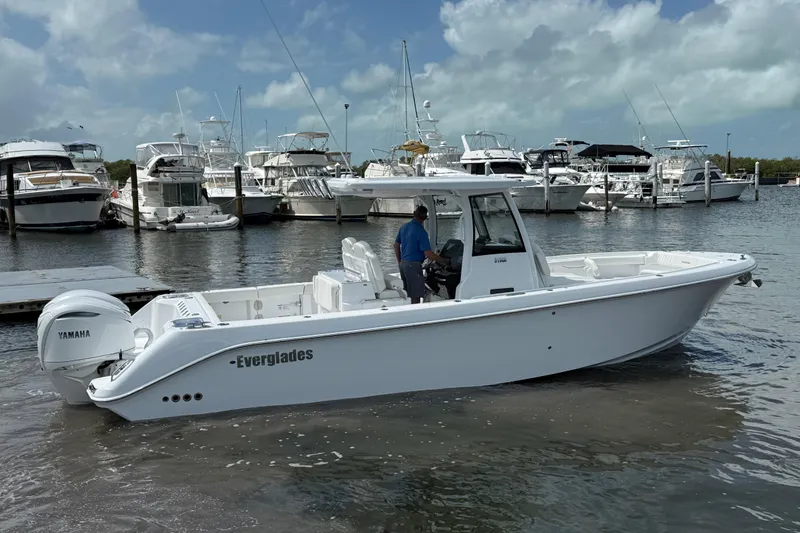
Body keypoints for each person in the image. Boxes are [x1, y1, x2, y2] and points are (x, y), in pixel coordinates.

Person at [394, 205, 449, 304]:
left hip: (403, 264)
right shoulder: (421, 231)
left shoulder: (404, 227)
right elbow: (428, 253)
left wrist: (399, 262)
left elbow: (396, 245)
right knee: (416, 296)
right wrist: (443, 261)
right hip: (413, 265)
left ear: (414, 213)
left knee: (408, 294)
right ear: (425, 218)